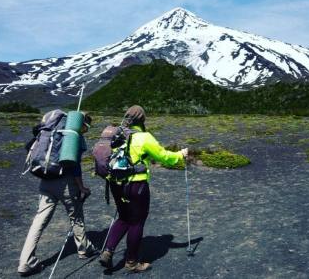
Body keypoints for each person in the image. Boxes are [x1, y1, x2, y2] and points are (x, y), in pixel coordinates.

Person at [99, 105, 188, 272]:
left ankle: (108, 250)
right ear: (142, 119)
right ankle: (132, 262)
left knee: (123, 217)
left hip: (115, 184)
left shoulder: (117, 135)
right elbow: (164, 156)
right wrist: (180, 155)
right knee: (136, 222)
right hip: (136, 185)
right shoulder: (144, 137)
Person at [18, 112, 98, 276]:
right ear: (81, 123)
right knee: (76, 216)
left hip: (46, 179)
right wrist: (82, 188)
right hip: (66, 183)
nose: (87, 130)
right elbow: (75, 166)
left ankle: (26, 262)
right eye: (87, 126)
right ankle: (84, 249)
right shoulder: (74, 137)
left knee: (39, 221)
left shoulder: (51, 131)